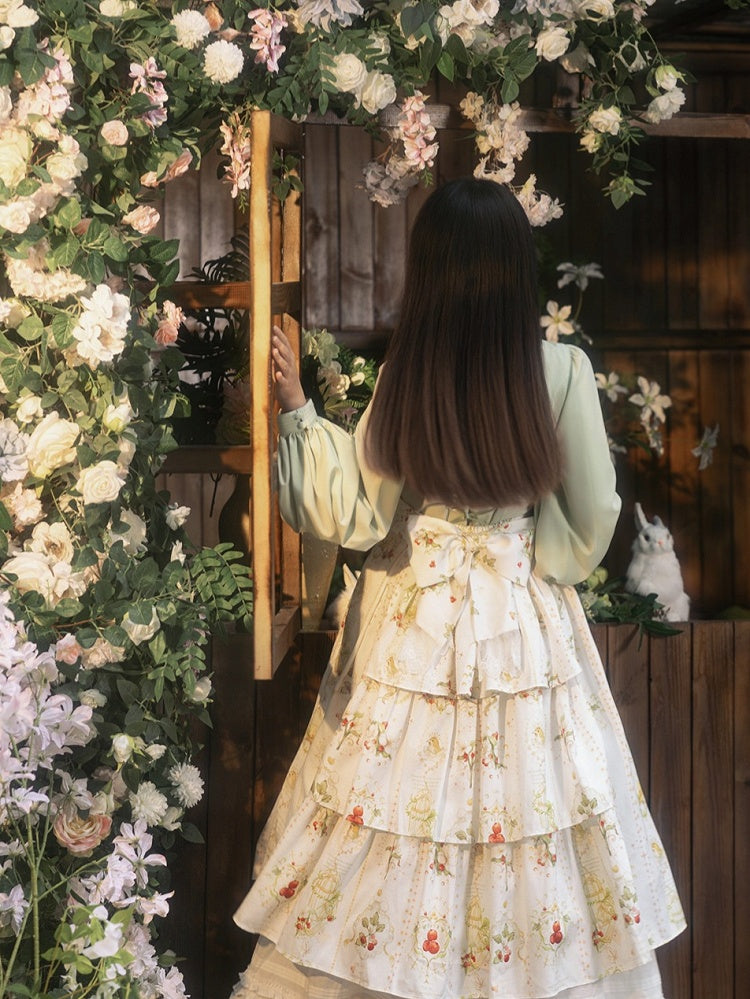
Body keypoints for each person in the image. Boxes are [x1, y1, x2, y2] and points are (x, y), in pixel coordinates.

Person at [232, 178, 686, 999]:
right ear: (520, 265)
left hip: (416, 626)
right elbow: (591, 514)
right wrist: (530, 563)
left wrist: (298, 409)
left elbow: (357, 514)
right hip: (522, 627)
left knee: (395, 816)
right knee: (535, 813)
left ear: (430, 268)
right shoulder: (560, 369)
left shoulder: (409, 370)